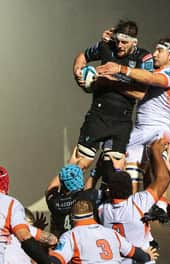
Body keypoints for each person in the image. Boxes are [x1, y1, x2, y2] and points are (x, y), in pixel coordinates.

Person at [59, 19, 152, 189]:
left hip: (121, 123)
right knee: (79, 165)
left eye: (124, 42)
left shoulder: (143, 57)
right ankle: (61, 206)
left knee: (114, 172)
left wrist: (111, 82)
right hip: (97, 117)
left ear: (134, 42)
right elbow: (82, 56)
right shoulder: (106, 47)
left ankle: (108, 211)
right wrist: (78, 72)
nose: (120, 46)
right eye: (117, 41)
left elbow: (141, 93)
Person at [98, 37, 170, 191]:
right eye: (155, 50)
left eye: (160, 51)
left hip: (158, 130)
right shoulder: (153, 71)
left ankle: (155, 211)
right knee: (132, 177)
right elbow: (138, 93)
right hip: (141, 131)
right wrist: (112, 81)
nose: (154, 54)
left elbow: (150, 78)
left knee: (155, 178)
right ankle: (127, 208)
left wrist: (120, 69)